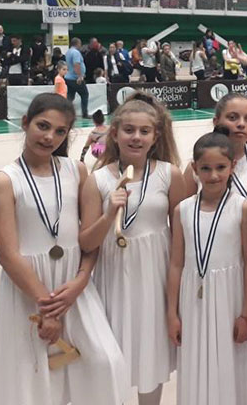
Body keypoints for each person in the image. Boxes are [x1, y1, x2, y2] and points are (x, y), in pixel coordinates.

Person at [0, 94, 130, 404]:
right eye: (42, 126)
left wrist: (81, 280)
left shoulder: (75, 171)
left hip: (73, 285)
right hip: (30, 288)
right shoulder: (5, 181)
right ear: (25, 123)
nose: (49, 137)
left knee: (105, 362)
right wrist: (47, 308)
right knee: (36, 380)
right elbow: (8, 255)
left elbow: (88, 238)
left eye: (60, 131)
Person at [79, 94, 184, 405]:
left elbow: (182, 236)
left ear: (156, 136)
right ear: (114, 133)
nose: (136, 137)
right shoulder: (97, 181)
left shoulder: (169, 174)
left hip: (155, 278)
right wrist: (108, 215)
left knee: (152, 356)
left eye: (144, 131)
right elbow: (86, 242)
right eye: (128, 130)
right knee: (114, 359)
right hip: (114, 280)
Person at [167, 128, 247, 405]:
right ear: (194, 168)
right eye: (206, 168)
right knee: (196, 362)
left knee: (230, 363)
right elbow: (176, 264)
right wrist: (172, 313)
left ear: (233, 166)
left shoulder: (243, 208)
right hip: (192, 301)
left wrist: (246, 313)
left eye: (220, 167)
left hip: (230, 298)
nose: (214, 175)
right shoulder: (182, 210)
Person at [183, 93, 247, 200]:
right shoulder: (199, 163)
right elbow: (184, 207)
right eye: (232, 117)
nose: (241, 124)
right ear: (216, 122)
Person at [65, 37, 90, 118]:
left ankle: (65, 112)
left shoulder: (68, 52)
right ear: (78, 43)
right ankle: (84, 113)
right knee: (84, 94)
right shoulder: (76, 52)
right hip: (75, 78)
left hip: (69, 77)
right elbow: (76, 64)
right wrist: (80, 76)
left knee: (70, 96)